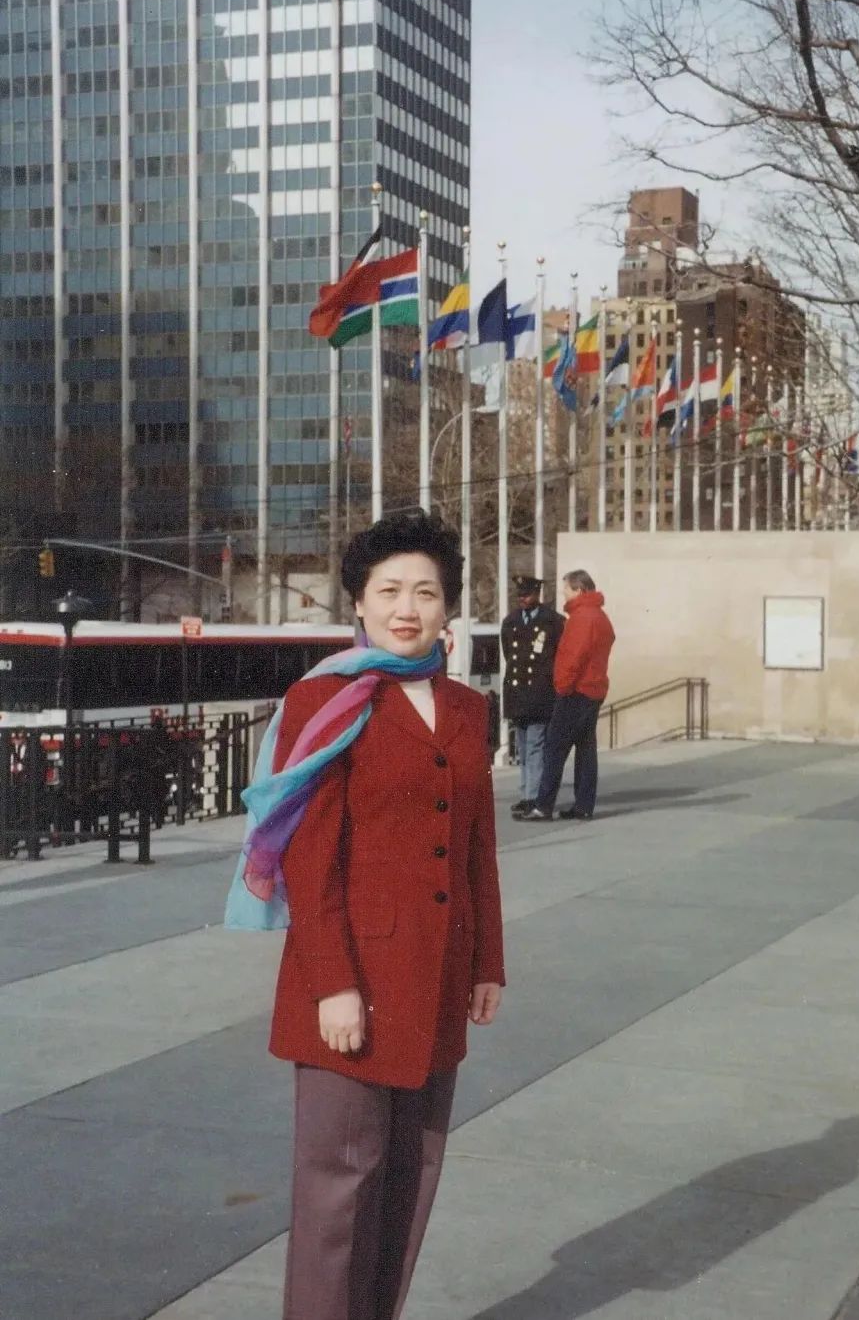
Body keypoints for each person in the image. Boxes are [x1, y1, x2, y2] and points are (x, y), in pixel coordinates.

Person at [224, 510, 505, 1320]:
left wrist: (487, 961)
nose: (407, 607)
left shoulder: (467, 706)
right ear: (358, 600)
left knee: (411, 1176)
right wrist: (333, 986)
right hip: (351, 980)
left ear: (449, 605)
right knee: (339, 1187)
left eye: (426, 591)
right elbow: (310, 861)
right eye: (389, 590)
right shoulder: (324, 698)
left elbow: (476, 845)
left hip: (438, 975)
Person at [514, 569, 615, 823]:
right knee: (586, 750)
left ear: (579, 590)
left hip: (575, 691)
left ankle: (543, 806)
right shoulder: (600, 616)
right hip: (594, 690)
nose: (564, 595)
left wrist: (562, 686)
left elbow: (573, 657)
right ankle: (583, 806)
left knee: (554, 749)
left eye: (566, 590)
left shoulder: (582, 618)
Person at [501, 573, 564, 814]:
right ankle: (526, 792)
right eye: (520, 595)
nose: (522, 599)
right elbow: (509, 654)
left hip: (540, 692)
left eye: (526, 595)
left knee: (535, 746)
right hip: (518, 693)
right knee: (523, 748)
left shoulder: (552, 621)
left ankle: (533, 796)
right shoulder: (511, 621)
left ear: (537, 595)